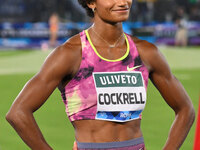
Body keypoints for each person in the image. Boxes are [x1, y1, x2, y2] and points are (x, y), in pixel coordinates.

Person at [6, 0, 195, 150]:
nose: (122, 2)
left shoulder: (146, 52)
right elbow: (18, 113)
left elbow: (186, 109)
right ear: (91, 3)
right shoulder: (70, 54)